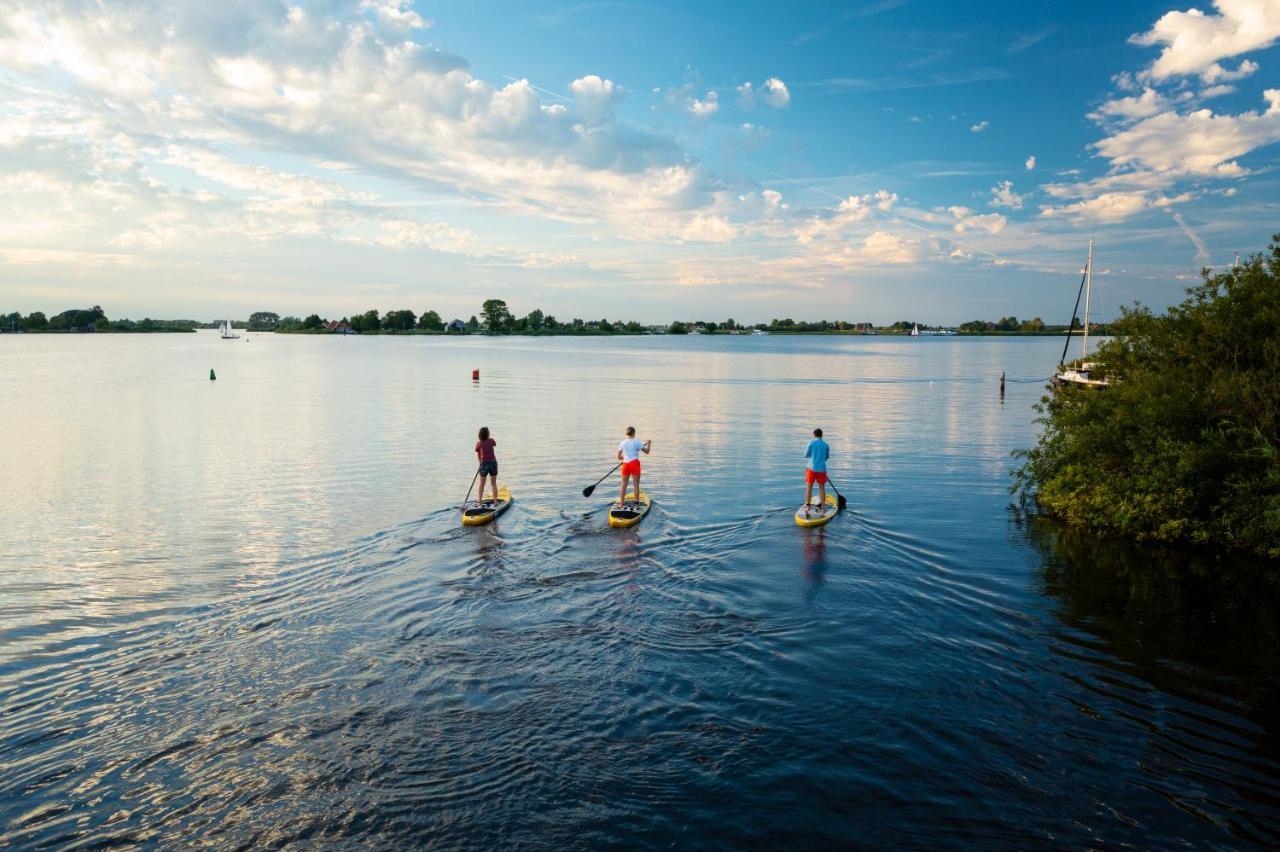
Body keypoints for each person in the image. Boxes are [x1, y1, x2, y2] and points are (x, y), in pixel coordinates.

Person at [617, 426, 652, 507]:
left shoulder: (622, 442)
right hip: (634, 464)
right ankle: (636, 504)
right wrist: (649, 444)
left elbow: (619, 457)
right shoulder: (637, 442)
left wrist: (625, 458)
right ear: (633, 433)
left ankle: (621, 504)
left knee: (624, 484)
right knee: (636, 485)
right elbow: (647, 452)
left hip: (625, 464)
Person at [804, 427, 830, 517]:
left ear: (814, 435)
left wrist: (813, 456)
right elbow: (826, 457)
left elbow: (806, 455)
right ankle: (823, 507)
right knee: (822, 488)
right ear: (821, 435)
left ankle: (808, 506)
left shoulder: (811, 442)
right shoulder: (826, 445)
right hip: (822, 469)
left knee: (809, 486)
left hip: (811, 468)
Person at [475, 426, 499, 504]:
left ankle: (479, 501)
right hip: (493, 463)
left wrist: (480, 463)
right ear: (487, 434)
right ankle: (495, 501)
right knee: (493, 483)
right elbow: (495, 444)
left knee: (482, 484)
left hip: (483, 464)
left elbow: (478, 455)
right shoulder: (491, 440)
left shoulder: (479, 444)